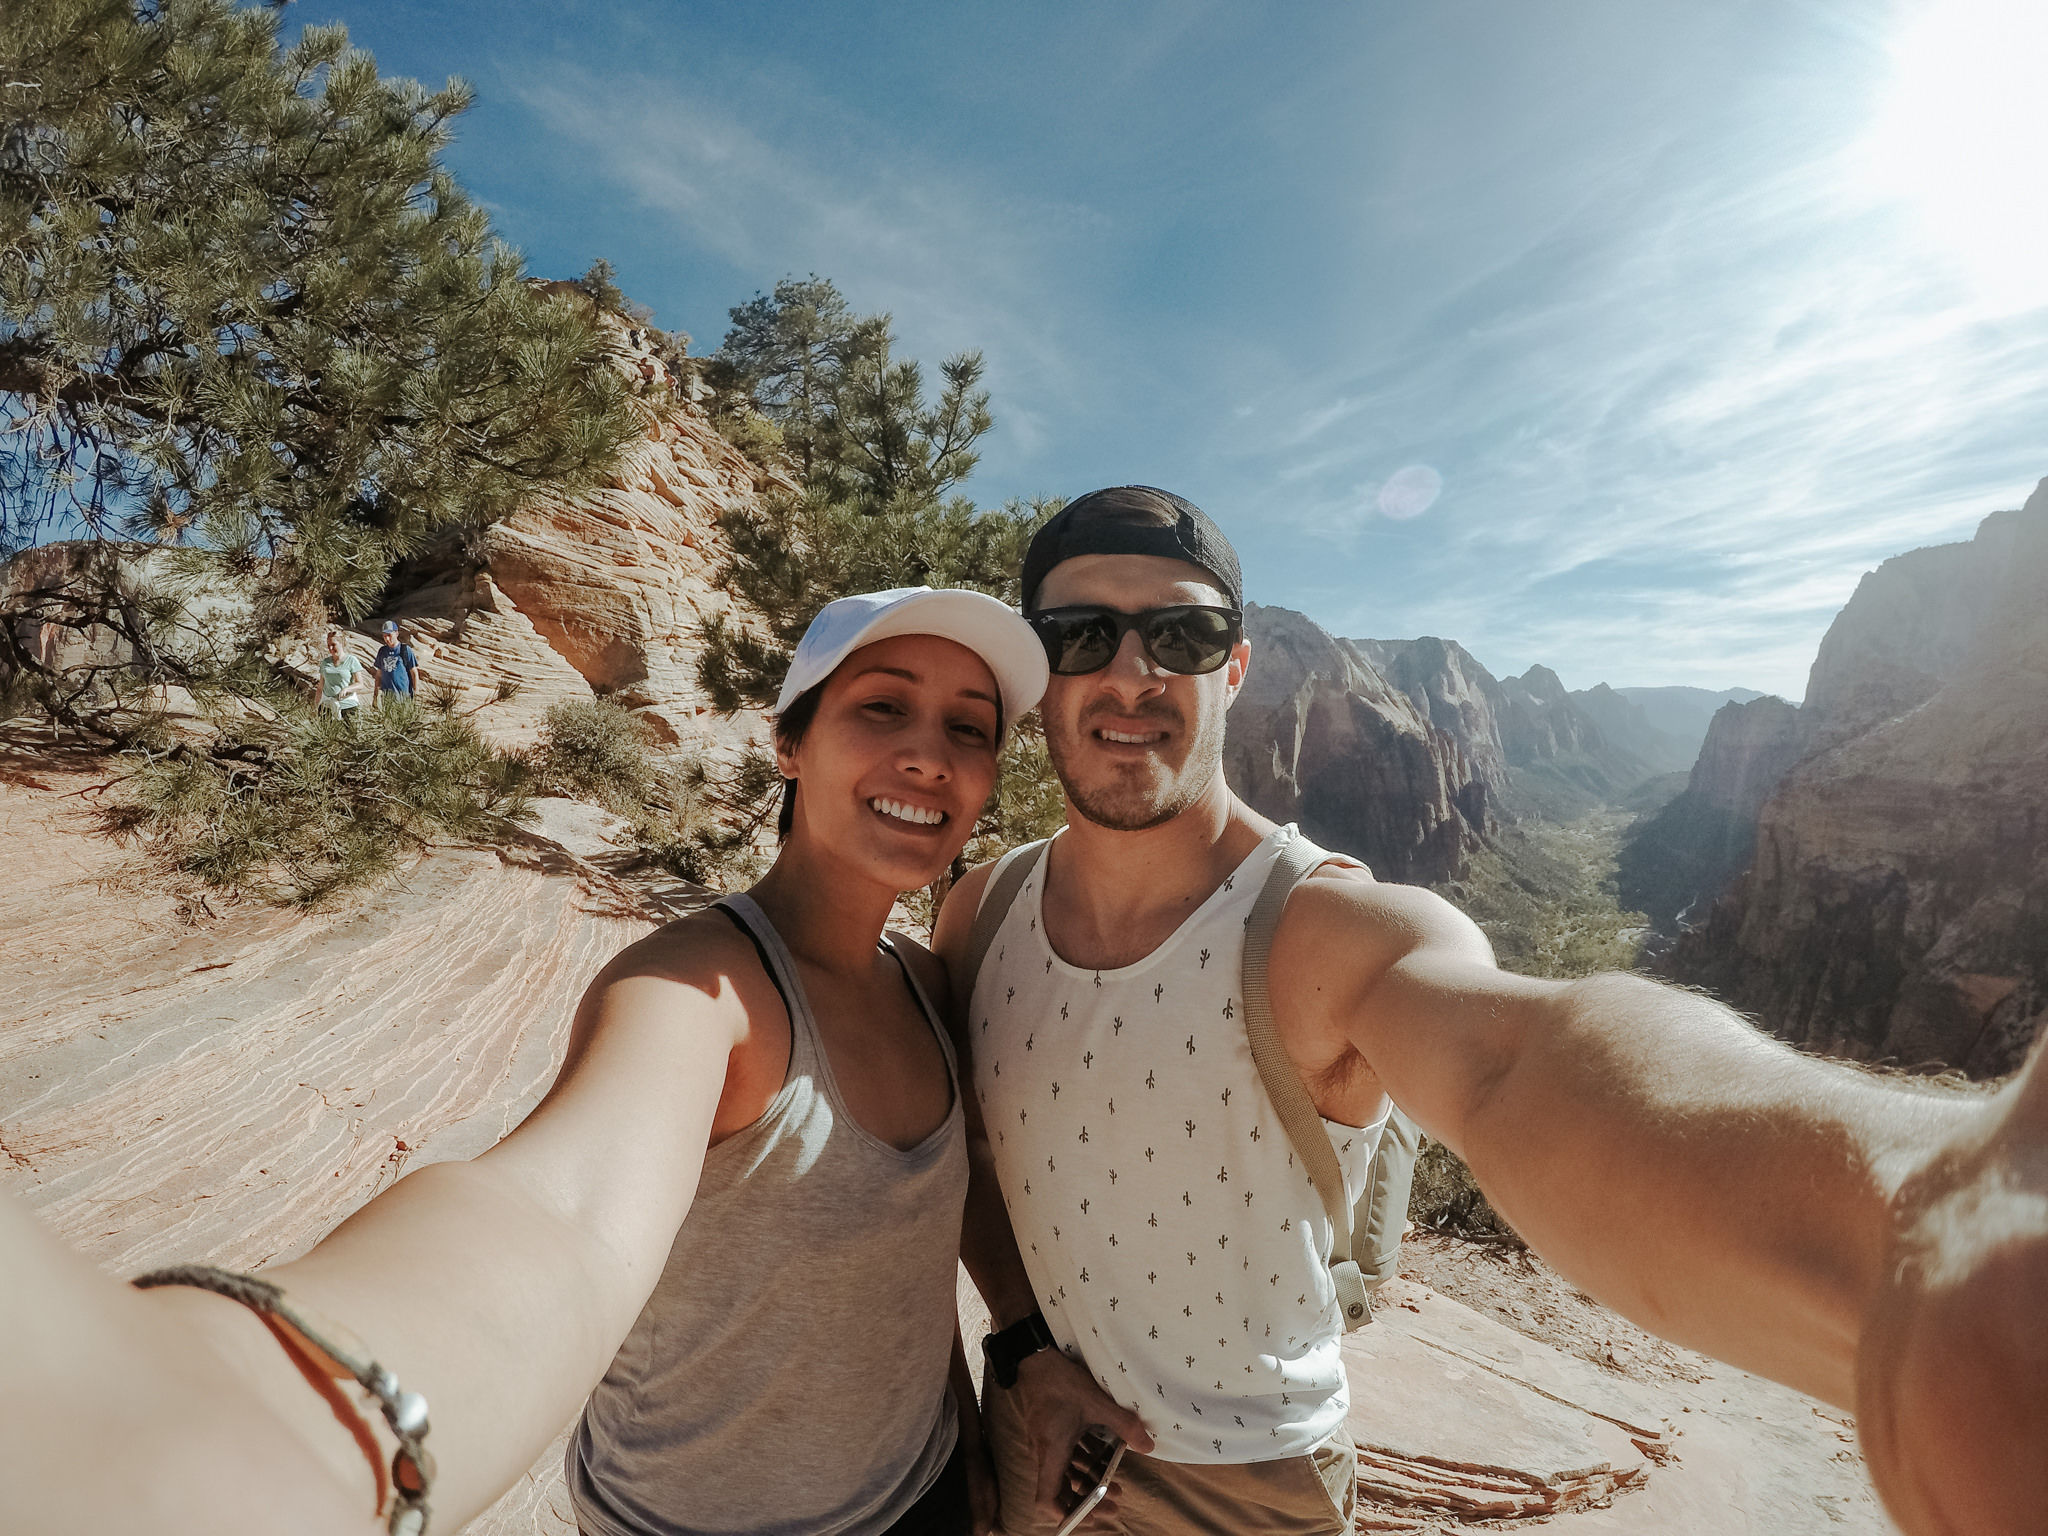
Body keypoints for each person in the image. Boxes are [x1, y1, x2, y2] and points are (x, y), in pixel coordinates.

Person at [930, 485, 2048, 1536]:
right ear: (1038, 671)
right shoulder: (978, 919)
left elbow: (1521, 1063)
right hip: (1033, 1432)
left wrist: (1935, 1226)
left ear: (1233, 671)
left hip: (1249, 1486)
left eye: (1181, 635)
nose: (1131, 673)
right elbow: (973, 1151)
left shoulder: (1328, 932)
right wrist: (1025, 1348)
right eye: (1082, 634)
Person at [3, 586, 1047, 1536]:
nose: (928, 755)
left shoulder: (922, 979)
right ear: (787, 742)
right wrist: (270, 1418)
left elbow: (918, 1256)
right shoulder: (693, 994)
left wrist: (975, 1420)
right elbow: (563, 1221)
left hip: (925, 1495)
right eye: (881, 708)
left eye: (969, 728)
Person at [314, 628, 366, 725]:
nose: (330, 649)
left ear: (341, 643)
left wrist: (347, 689)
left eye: (333, 645)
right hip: (327, 706)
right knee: (326, 737)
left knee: (351, 736)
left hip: (348, 706)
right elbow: (320, 687)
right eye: (328, 646)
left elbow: (360, 684)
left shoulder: (352, 660)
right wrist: (316, 707)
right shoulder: (325, 663)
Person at [373, 619, 425, 706]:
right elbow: (379, 674)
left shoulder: (405, 650)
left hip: (404, 697)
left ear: (396, 633)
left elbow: (414, 672)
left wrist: (416, 692)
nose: (387, 639)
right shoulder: (382, 651)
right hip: (387, 699)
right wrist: (375, 695)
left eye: (389, 635)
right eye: (384, 636)